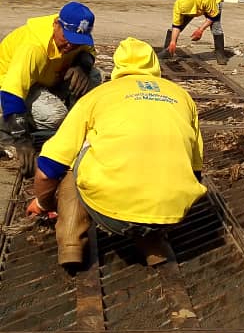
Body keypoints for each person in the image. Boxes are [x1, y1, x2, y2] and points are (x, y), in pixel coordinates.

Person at [26, 38, 205, 267]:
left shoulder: (98, 96)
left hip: (112, 214)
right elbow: (196, 169)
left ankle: (71, 245)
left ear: (117, 66)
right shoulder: (182, 96)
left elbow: (49, 167)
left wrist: (43, 203)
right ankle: (154, 246)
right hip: (173, 213)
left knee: (74, 158)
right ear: (155, 65)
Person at [0, 2, 98, 176]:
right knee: (54, 115)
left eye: (77, 42)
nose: (71, 46)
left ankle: (73, 120)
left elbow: (89, 50)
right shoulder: (32, 47)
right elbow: (12, 92)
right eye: (67, 39)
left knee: (94, 77)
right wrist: (22, 140)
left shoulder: (75, 34)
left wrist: (82, 65)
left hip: (46, 79)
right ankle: (4, 129)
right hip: (9, 89)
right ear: (56, 24)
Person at [162, 0, 227, 64]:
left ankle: (220, 55)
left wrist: (201, 30)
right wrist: (173, 41)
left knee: (216, 27)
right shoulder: (178, 6)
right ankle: (167, 52)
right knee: (178, 27)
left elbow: (213, 16)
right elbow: (176, 25)